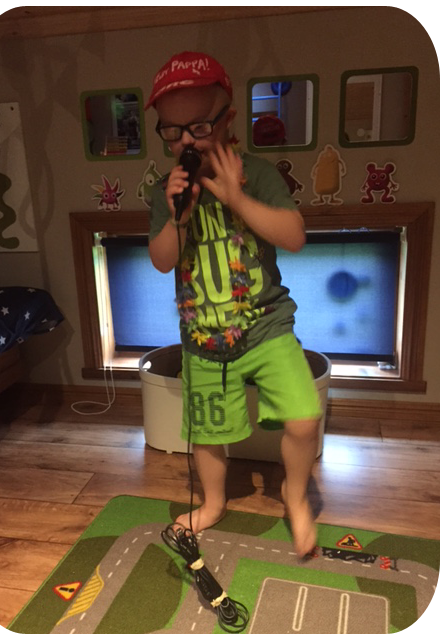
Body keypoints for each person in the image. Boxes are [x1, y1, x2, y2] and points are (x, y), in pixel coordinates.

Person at [146, 51, 322, 558]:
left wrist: (237, 198)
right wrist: (178, 217)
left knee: (303, 418)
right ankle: (215, 502)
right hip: (204, 339)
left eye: (199, 127)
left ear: (228, 120)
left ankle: (295, 495)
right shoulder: (167, 192)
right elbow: (162, 261)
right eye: (172, 131)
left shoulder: (257, 174)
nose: (186, 142)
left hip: (267, 326)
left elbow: (294, 236)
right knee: (206, 434)